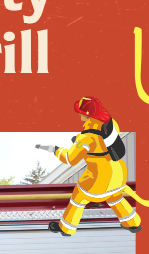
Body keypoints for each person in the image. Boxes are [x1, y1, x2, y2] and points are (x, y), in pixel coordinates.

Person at [45, 97, 141, 236]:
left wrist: (56, 150)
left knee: (78, 199)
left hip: (99, 177)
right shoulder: (112, 124)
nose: (79, 115)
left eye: (81, 112)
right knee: (116, 198)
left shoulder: (86, 138)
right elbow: (101, 144)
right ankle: (133, 224)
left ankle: (66, 228)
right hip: (117, 172)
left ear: (88, 115)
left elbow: (70, 158)